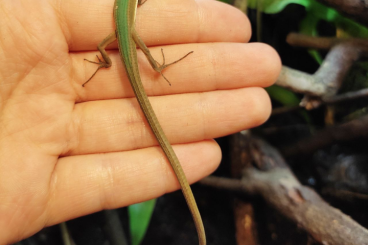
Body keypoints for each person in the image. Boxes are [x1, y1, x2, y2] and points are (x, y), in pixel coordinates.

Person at [0, 0, 280, 243]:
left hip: (117, 38)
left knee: (107, 48)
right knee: (138, 53)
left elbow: (109, 31)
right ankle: (157, 67)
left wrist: (106, 60)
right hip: (127, 34)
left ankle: (119, 64)